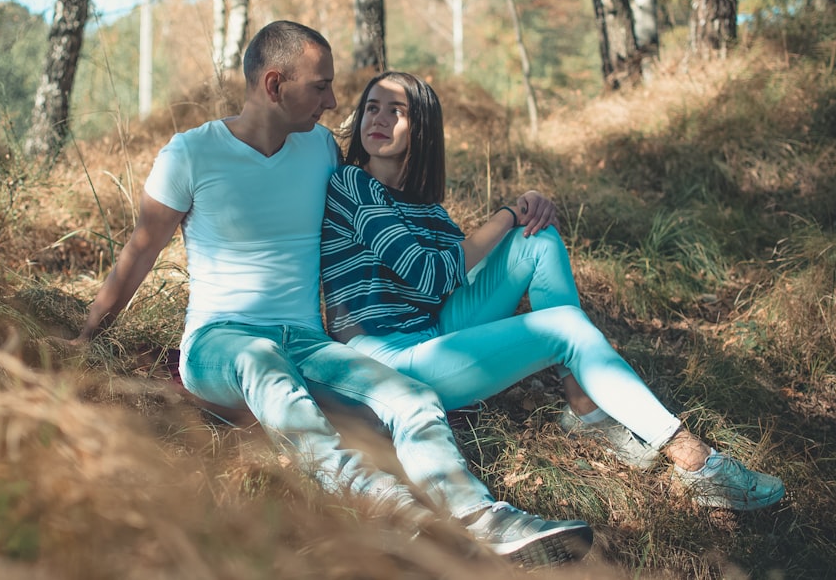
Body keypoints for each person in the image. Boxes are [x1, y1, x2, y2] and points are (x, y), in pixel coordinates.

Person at [72, 22, 593, 567]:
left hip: (308, 344)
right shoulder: (190, 154)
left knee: (413, 399)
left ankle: (487, 521)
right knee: (262, 363)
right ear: (275, 86)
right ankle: (394, 514)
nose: (334, 101)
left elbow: (378, 215)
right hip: (219, 344)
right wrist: (86, 335)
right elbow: (139, 252)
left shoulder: (320, 150)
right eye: (320, 87)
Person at [320, 70, 786, 511]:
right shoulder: (351, 184)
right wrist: (507, 213)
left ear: (420, 128)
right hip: (387, 362)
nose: (377, 120)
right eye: (371, 108)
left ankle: (583, 407)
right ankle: (695, 461)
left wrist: (526, 213)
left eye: (395, 111)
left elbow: (446, 284)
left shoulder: (429, 211)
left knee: (536, 238)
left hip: (433, 335)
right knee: (560, 321)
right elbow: (429, 275)